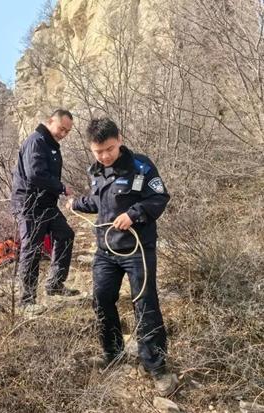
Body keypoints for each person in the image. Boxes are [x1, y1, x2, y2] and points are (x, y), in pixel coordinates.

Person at [66, 117, 177, 396]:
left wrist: (133, 214)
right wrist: (75, 203)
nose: (105, 156)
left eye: (109, 149)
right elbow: (100, 201)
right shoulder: (95, 171)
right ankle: (112, 352)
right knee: (102, 299)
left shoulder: (141, 166)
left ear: (120, 140)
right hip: (106, 251)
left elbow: (159, 198)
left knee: (145, 304)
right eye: (98, 151)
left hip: (138, 249)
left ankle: (157, 367)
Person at [11, 109, 79, 309]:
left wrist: (57, 190)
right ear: (50, 121)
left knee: (65, 234)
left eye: (67, 131)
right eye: (61, 128)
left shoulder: (51, 145)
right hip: (29, 205)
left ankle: (55, 284)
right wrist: (61, 187)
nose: (63, 134)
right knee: (31, 248)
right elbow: (36, 174)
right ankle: (27, 301)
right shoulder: (36, 141)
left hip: (47, 204)